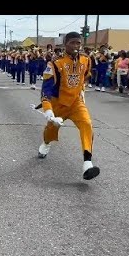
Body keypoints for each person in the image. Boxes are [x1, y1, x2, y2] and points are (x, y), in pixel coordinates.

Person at [38, 31, 99, 180]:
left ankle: (87, 163)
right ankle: (46, 143)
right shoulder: (55, 63)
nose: (76, 46)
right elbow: (46, 89)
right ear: (65, 44)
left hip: (76, 103)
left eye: (78, 43)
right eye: (73, 42)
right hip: (59, 104)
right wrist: (48, 110)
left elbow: (84, 76)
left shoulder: (86, 59)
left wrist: (81, 89)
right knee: (51, 130)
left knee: (87, 124)